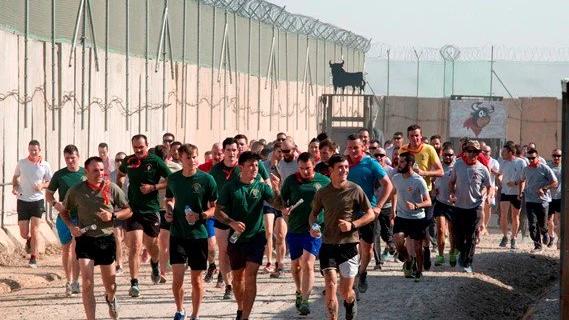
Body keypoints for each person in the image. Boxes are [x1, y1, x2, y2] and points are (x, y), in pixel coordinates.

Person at [60, 156, 131, 320]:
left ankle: (111, 299)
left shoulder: (111, 188)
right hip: (85, 240)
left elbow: (128, 210)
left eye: (101, 170)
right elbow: (64, 211)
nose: (99, 173)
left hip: (105, 240)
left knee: (111, 285)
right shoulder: (76, 190)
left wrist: (113, 215)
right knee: (87, 282)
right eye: (95, 170)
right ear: (86, 172)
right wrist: (71, 226)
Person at [309, 154, 375, 320]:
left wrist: (352, 225)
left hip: (349, 245)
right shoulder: (323, 193)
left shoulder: (355, 189)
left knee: (345, 292)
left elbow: (370, 214)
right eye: (340, 167)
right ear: (331, 170)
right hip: (328, 244)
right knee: (330, 283)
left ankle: (350, 302)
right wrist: (313, 227)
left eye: (346, 167)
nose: (344, 170)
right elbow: (313, 214)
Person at [215, 151, 277, 320]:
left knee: (251, 274)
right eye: (250, 165)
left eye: (256, 165)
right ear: (241, 167)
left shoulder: (262, 187)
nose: (254, 169)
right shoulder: (230, 187)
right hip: (236, 238)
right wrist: (231, 222)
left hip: (257, 236)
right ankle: (241, 308)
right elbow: (218, 212)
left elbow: (277, 204)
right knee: (237, 278)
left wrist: (277, 189)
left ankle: (245, 317)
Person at [165, 144, 218, 320]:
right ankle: (180, 310)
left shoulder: (207, 179)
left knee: (196, 279)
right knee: (177, 277)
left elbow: (215, 209)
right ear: (181, 158)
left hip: (199, 234)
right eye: (188, 158)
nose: (193, 161)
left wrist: (200, 215)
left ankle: (195, 315)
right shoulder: (173, 179)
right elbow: (169, 199)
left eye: (195, 157)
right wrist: (169, 210)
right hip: (178, 233)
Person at [273, 152, 330, 315]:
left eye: (308, 168)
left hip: (314, 228)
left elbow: (330, 203)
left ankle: (305, 300)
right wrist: (283, 208)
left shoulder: (323, 181)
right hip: (294, 228)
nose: (305, 171)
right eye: (302, 168)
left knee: (308, 263)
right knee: (296, 265)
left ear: (314, 165)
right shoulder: (291, 181)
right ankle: (299, 291)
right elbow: (280, 203)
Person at [116, 134, 172, 297]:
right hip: (133, 210)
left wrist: (154, 187)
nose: (138, 150)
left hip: (151, 210)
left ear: (147, 145)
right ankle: (134, 283)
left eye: (141, 147)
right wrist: (120, 190)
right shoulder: (129, 161)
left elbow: (171, 179)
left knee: (152, 246)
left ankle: (155, 263)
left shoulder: (155, 161)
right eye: (135, 147)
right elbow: (120, 174)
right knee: (135, 246)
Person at [345, 134, 392, 294]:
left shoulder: (370, 163)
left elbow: (388, 185)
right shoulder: (343, 164)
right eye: (350, 147)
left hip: (368, 212)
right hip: (347, 212)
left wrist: (378, 206)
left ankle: (362, 271)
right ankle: (350, 281)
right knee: (348, 248)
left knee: (368, 249)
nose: (353, 151)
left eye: (356, 148)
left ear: (363, 147)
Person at [399, 125, 443, 270]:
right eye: (411, 135)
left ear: (421, 135)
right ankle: (411, 260)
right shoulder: (403, 150)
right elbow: (399, 170)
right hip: (408, 193)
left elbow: (440, 171)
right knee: (411, 230)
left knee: (424, 226)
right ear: (408, 137)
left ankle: (426, 249)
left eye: (417, 135)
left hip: (426, 193)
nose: (414, 138)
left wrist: (424, 173)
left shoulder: (429, 149)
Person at [448, 141, 493, 272]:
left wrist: (488, 195)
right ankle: (462, 251)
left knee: (471, 235)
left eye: (476, 152)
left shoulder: (482, 169)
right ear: (465, 152)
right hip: (459, 205)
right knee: (458, 235)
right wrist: (451, 194)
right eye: (470, 151)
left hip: (475, 206)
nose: (472, 154)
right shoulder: (458, 165)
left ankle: (468, 262)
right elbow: (451, 182)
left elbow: (489, 186)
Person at [46, 144, 84, 295]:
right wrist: (55, 204)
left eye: (73, 158)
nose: (70, 161)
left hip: (81, 217)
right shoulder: (59, 175)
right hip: (64, 216)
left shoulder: (85, 173)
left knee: (76, 248)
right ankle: (68, 280)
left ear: (78, 157)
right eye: (67, 158)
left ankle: (75, 281)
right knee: (66, 249)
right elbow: (48, 194)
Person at [391, 152, 432, 282]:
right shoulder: (396, 178)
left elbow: (428, 201)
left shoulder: (418, 180)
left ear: (410, 164)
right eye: (399, 161)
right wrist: (392, 210)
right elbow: (393, 193)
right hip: (402, 216)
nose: (399, 164)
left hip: (417, 218)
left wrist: (416, 205)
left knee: (417, 248)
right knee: (397, 241)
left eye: (402, 162)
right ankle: (409, 260)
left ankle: (419, 272)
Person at [12, 139, 53, 268]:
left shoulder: (45, 165)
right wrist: (14, 187)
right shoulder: (22, 163)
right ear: (28, 150)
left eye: (35, 150)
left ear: (39, 150)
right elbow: (15, 177)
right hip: (23, 200)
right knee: (24, 233)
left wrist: (42, 185)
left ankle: (33, 259)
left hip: (37, 200)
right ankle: (29, 240)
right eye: (31, 150)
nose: (33, 152)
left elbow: (49, 182)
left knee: (35, 229)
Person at [519, 148, 558, 254]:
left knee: (542, 224)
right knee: (532, 224)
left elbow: (555, 182)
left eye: (533, 158)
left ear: (537, 157)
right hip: (529, 200)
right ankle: (537, 246)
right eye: (529, 158)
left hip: (543, 201)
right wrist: (521, 192)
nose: (531, 160)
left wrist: (544, 188)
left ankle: (545, 233)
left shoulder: (544, 168)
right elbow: (522, 181)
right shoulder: (525, 169)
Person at [154, 145, 182, 284]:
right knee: (157, 241)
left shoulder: (176, 168)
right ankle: (161, 266)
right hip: (154, 208)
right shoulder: (150, 169)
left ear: (167, 158)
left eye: (163, 160)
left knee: (164, 240)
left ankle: (162, 270)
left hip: (169, 207)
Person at [198, 142, 224, 283]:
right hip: (210, 212)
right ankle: (212, 265)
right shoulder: (203, 168)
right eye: (215, 153)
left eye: (220, 153)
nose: (217, 156)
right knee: (210, 245)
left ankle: (223, 271)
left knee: (224, 246)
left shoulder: (230, 169)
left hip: (225, 213)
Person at [497, 143, 527, 249]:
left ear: (510, 152)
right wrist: (500, 181)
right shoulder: (503, 162)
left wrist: (518, 188)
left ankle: (514, 238)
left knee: (515, 216)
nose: (502, 153)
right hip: (505, 192)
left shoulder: (521, 162)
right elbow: (499, 174)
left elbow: (524, 178)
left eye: (504, 151)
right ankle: (505, 236)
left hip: (516, 193)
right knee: (503, 215)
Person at [431, 146, 457, 267]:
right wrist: (433, 189)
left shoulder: (457, 166)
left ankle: (452, 251)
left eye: (450, 155)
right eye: (445, 155)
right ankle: (440, 255)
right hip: (440, 201)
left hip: (453, 203)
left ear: (453, 155)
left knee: (452, 230)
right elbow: (431, 180)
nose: (448, 157)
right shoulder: (437, 166)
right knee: (440, 229)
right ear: (442, 155)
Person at [371, 148, 396, 269]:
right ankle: (378, 261)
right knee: (375, 234)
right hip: (373, 207)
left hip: (387, 206)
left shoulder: (390, 171)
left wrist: (394, 209)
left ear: (386, 157)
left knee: (387, 234)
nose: (379, 157)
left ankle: (391, 246)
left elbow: (394, 192)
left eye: (382, 155)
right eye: (376, 155)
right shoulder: (369, 170)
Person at [109, 152, 128, 275]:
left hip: (129, 209)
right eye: (117, 160)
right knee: (117, 238)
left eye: (122, 160)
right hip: (116, 209)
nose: (119, 163)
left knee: (128, 240)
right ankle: (119, 263)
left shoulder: (131, 174)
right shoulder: (111, 175)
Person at [480, 145, 500, 236]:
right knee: (482, 207)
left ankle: (486, 225)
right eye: (483, 151)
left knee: (488, 207)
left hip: (491, 186)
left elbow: (498, 174)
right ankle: (482, 226)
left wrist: (488, 168)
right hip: (481, 187)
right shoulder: (479, 160)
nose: (485, 153)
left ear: (490, 152)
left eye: (486, 151)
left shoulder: (494, 162)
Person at [547, 149, 562, 248]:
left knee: (560, 219)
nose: (556, 158)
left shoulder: (564, 168)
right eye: (554, 156)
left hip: (560, 196)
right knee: (549, 219)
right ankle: (551, 236)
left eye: (558, 156)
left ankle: (559, 239)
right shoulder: (548, 167)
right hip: (549, 197)